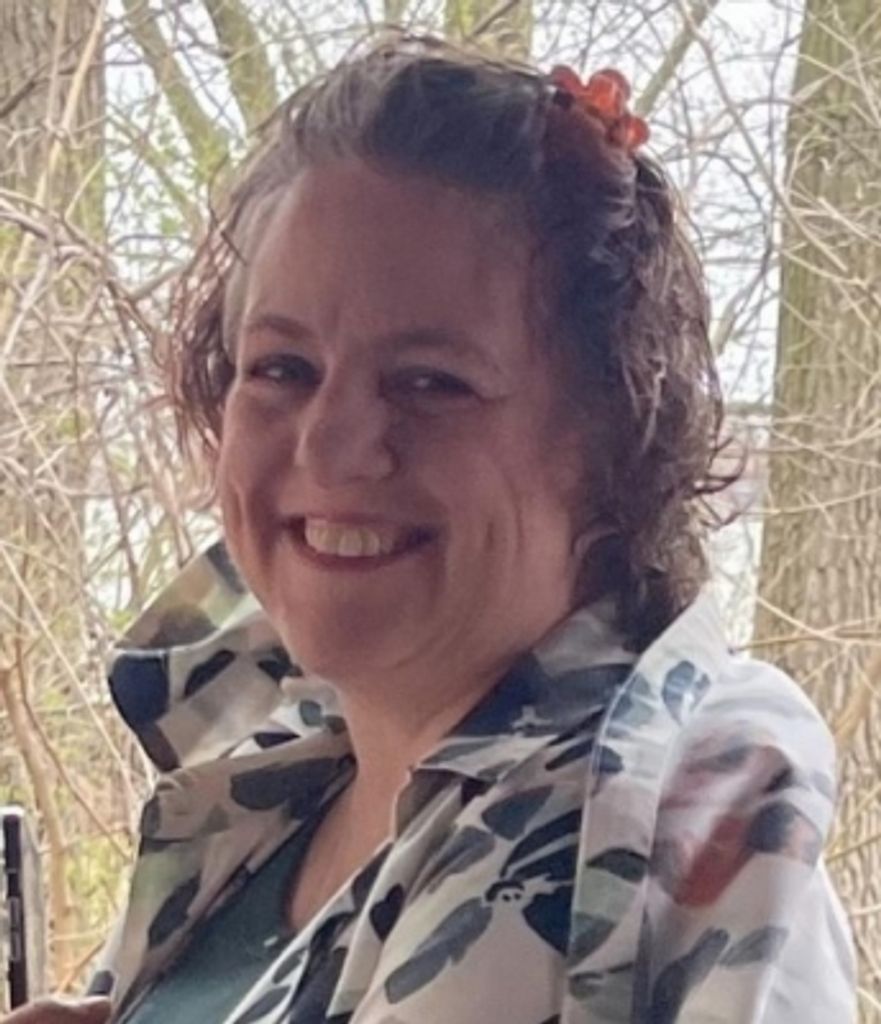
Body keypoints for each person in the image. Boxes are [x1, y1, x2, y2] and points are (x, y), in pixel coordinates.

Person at [7, 34, 855, 1024]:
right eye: (281, 368)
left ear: (608, 439)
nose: (331, 447)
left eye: (429, 382)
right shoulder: (253, 805)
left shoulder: (685, 839)